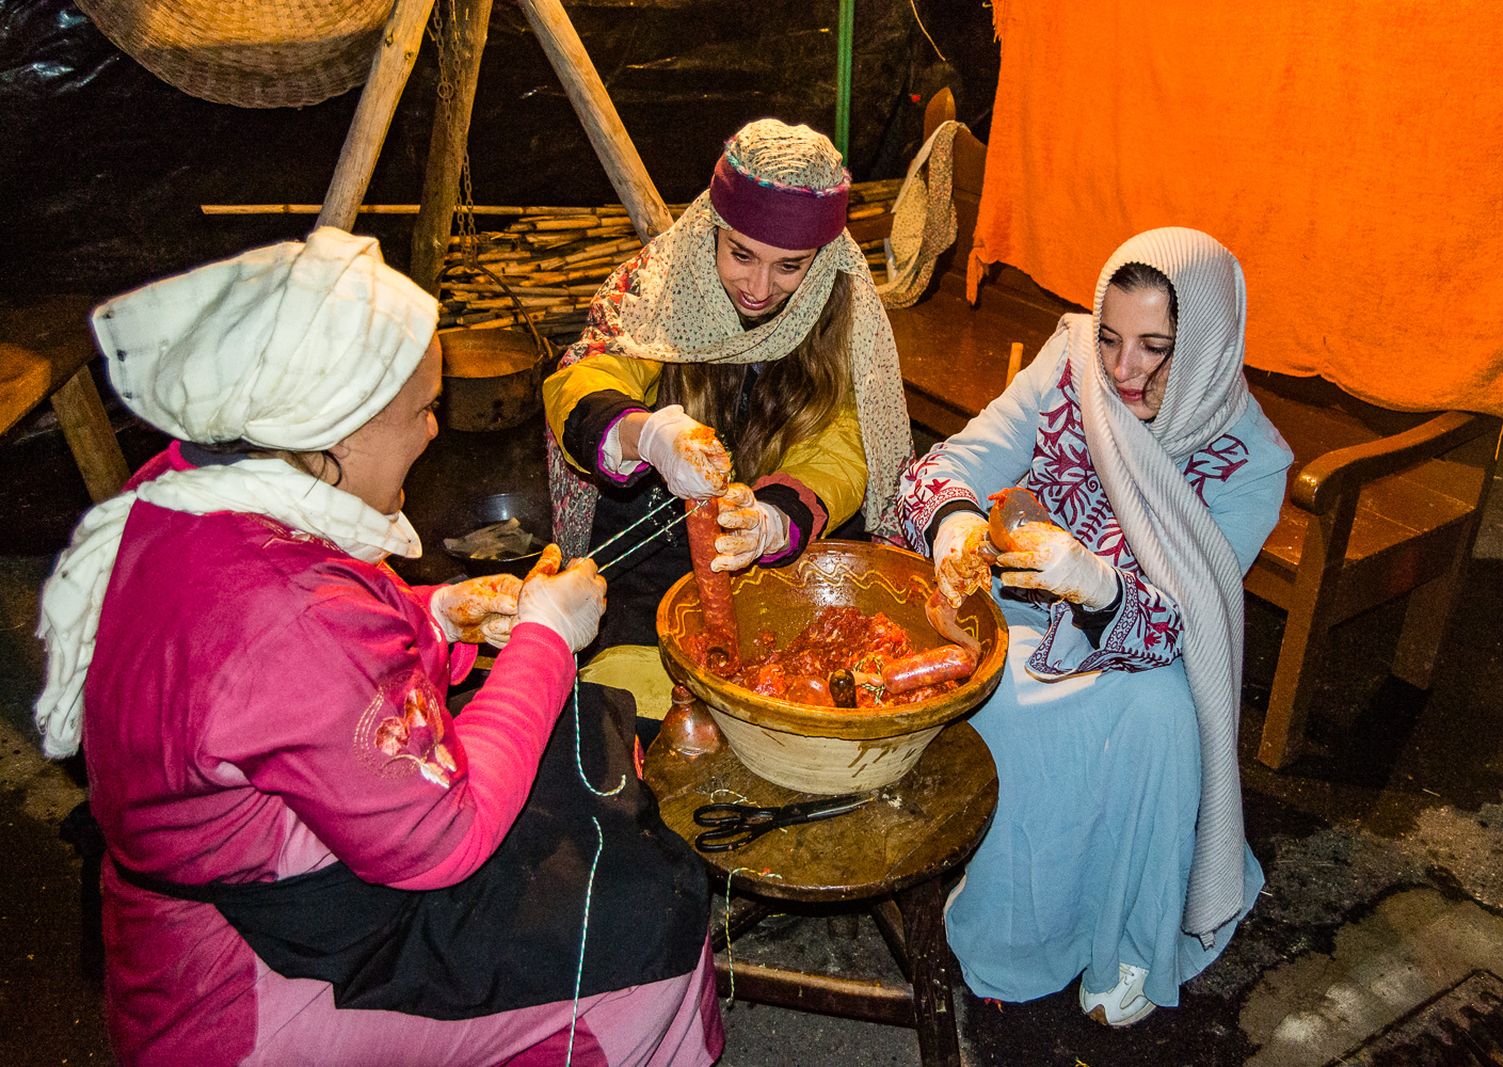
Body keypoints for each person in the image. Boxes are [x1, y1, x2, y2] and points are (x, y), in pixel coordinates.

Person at [33, 228, 722, 1066]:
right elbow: (446, 835)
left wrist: (438, 616)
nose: (435, 432)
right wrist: (546, 637)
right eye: (421, 410)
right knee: (649, 939)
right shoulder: (291, 617)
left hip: (215, 900)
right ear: (336, 432)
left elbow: (295, 669)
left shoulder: (192, 485)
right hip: (243, 985)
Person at [896, 228, 1293, 1025]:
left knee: (1162, 715)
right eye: (1110, 337)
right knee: (990, 681)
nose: (1121, 370)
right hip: (1013, 614)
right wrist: (952, 521)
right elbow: (953, 464)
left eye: (1156, 348)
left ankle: (1129, 939)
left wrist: (1100, 587)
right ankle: (1013, 925)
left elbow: (1188, 624)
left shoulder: (1250, 462)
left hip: (1138, 650)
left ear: (1209, 345)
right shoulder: (1068, 366)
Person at [543, 119, 914, 664]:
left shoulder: (840, 319)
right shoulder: (663, 285)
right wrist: (646, 435)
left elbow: (844, 443)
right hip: (652, 543)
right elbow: (591, 374)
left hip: (776, 555)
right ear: (711, 230)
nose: (760, 289)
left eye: (789, 266)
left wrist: (775, 518)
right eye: (741, 255)